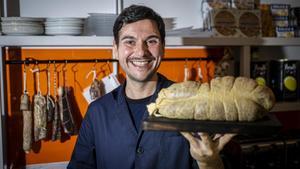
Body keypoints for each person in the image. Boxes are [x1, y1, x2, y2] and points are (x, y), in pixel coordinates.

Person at [67, 4, 235, 169]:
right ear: (115, 49)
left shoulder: (193, 106)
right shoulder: (97, 112)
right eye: (130, 41)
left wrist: (208, 162)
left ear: (163, 48)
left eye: (151, 41)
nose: (141, 52)